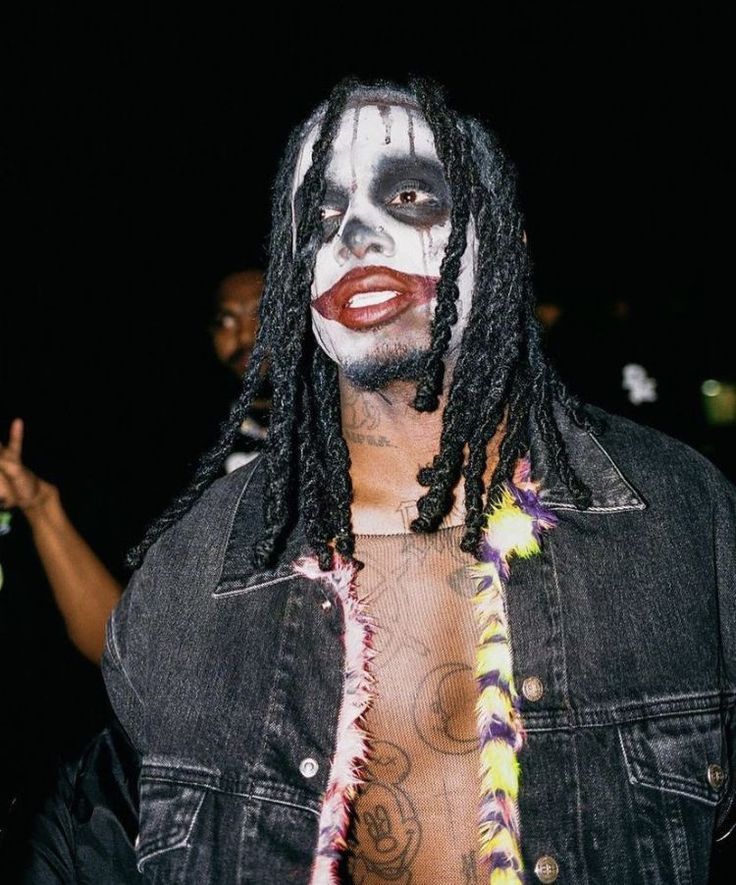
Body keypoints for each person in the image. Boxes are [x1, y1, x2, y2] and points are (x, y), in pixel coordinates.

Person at [21, 77, 735, 884]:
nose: (357, 232)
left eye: (407, 192)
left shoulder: (683, 522)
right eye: (320, 216)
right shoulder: (193, 568)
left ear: (503, 241)